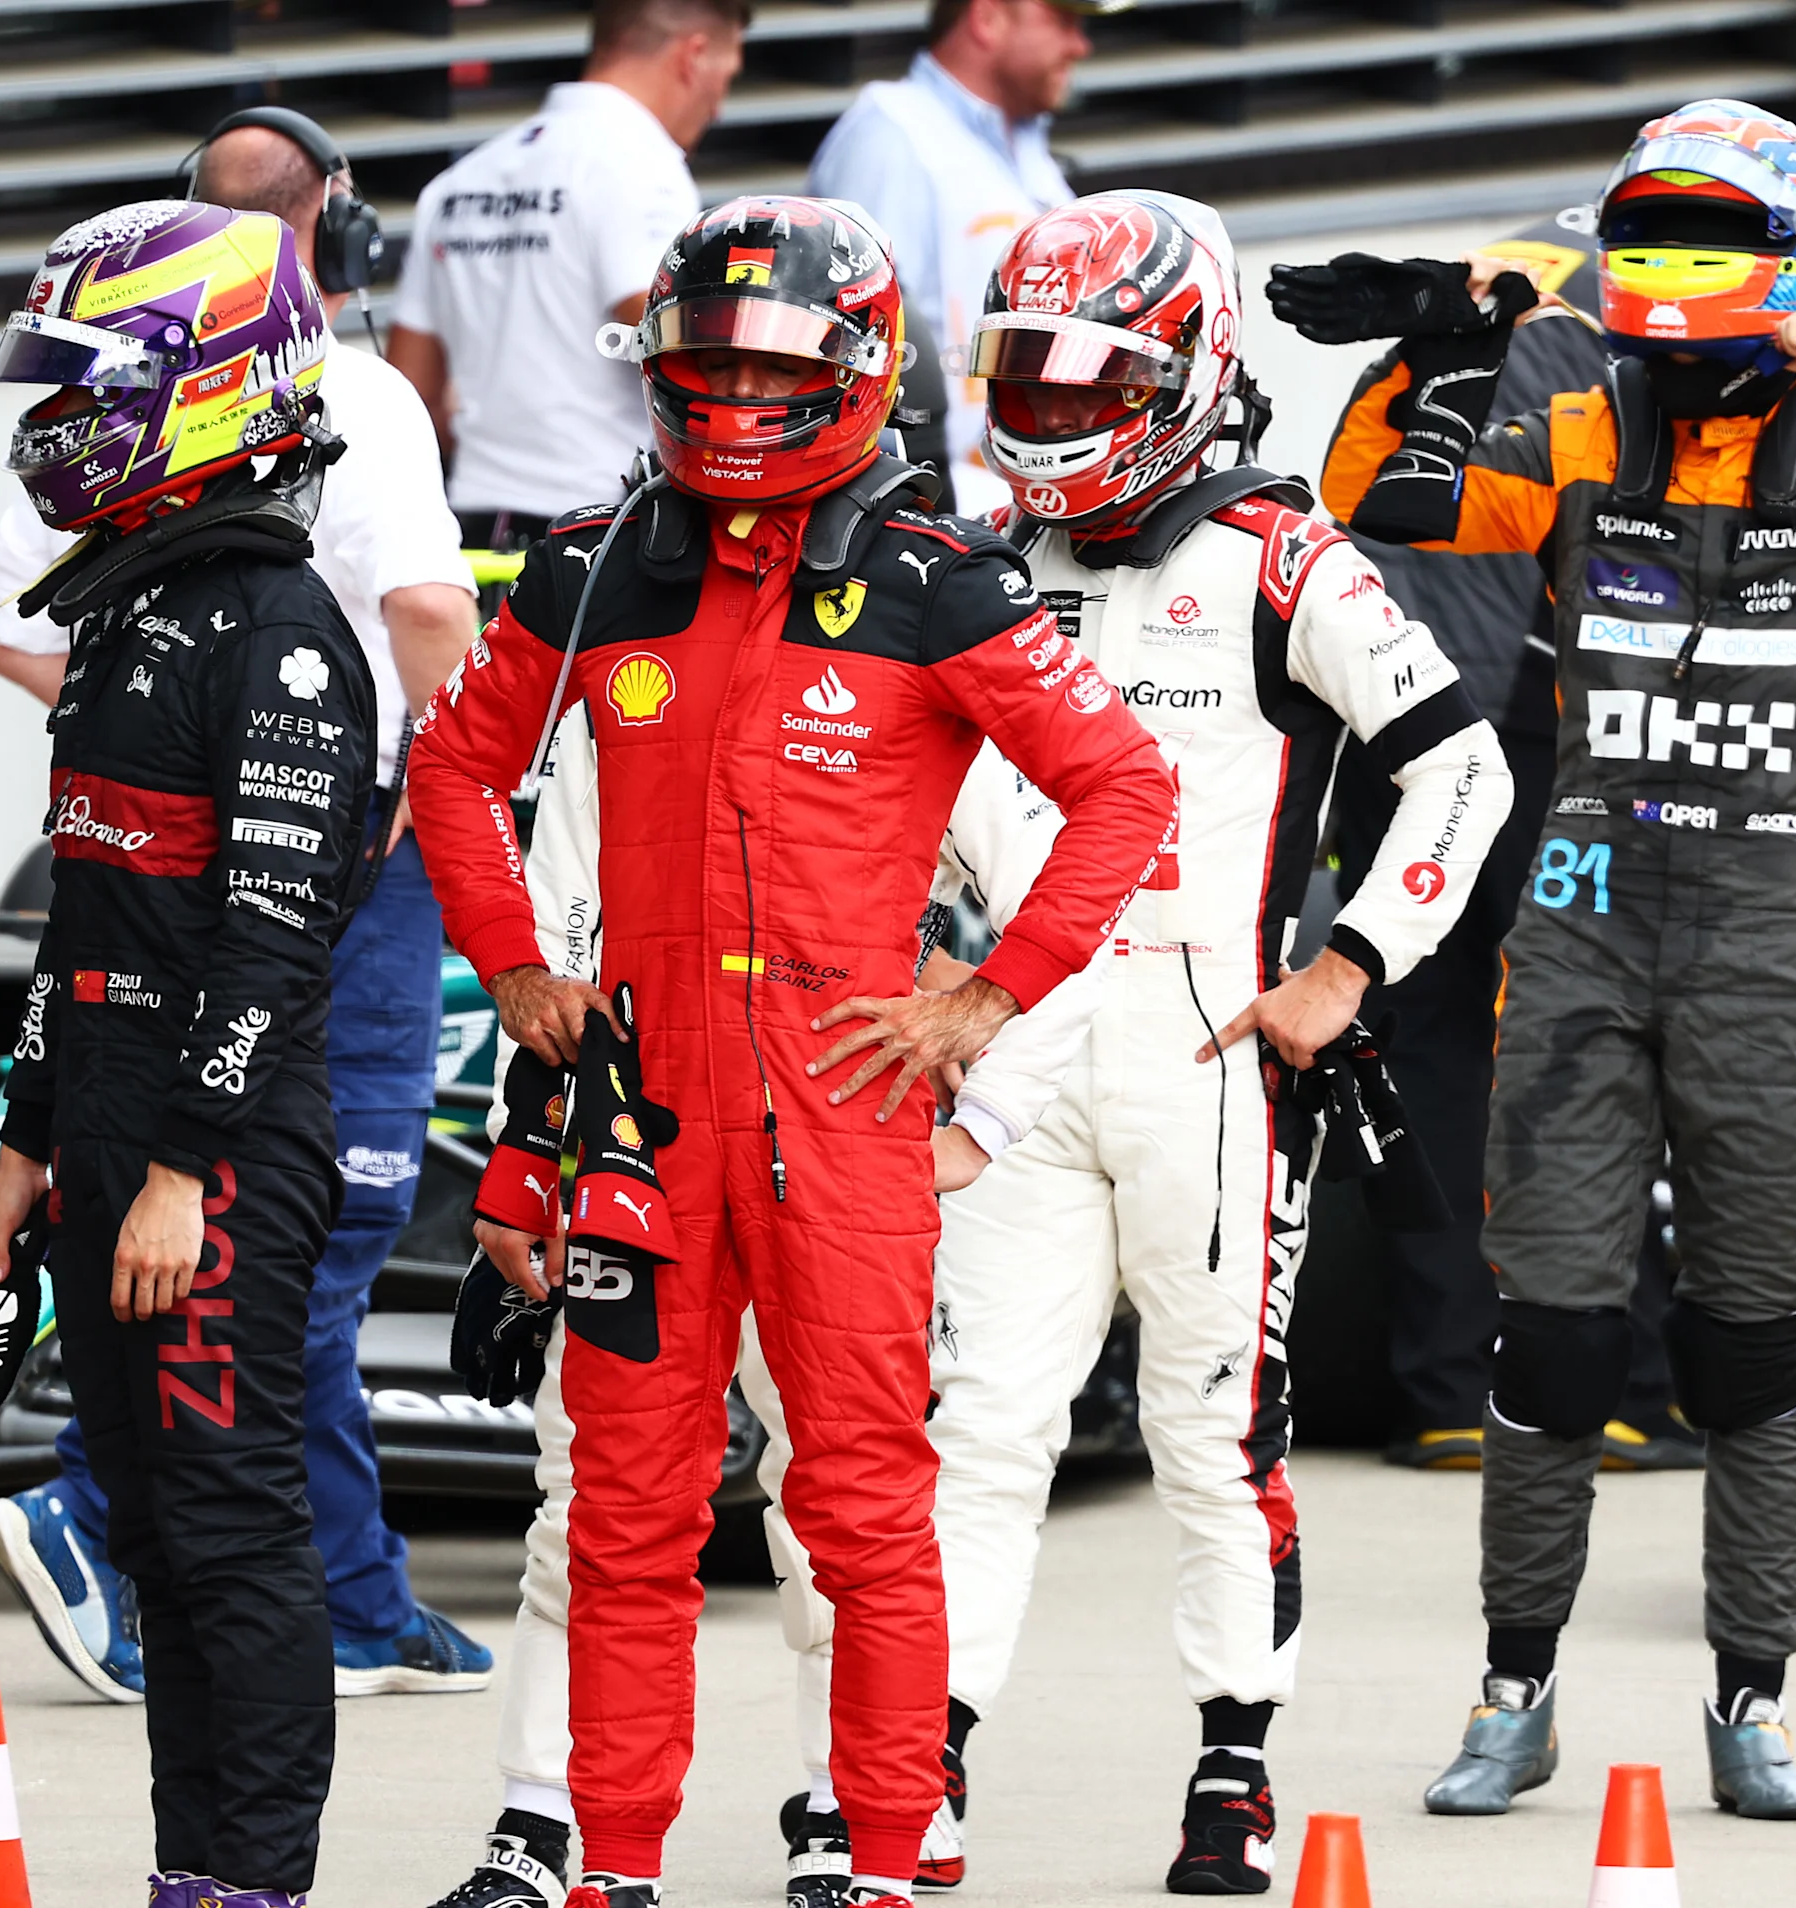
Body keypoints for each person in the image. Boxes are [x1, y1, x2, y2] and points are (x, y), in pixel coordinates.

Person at [1267, 99, 1796, 1821]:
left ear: (1789, 264)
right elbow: (1373, 504)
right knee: (1549, 1337)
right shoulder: (1578, 405)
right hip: (1575, 923)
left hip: (1774, 941)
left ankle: (1749, 1698)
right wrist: (1431, 351)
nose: (1668, 279)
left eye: (1707, 237)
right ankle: (1514, 1689)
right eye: (1656, 233)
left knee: (1745, 1345)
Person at [407, 195, 1177, 1908]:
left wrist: (984, 999)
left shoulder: (933, 571)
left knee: (864, 1504)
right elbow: (453, 769)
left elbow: (1125, 784)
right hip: (643, 1104)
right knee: (621, 1510)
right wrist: (517, 961)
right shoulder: (599, 559)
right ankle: (609, 1864)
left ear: (853, 367)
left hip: (845, 1101)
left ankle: (885, 1859)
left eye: (770, 365)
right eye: (704, 363)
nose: (734, 394)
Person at [911, 191, 1512, 1896]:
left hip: (1209, 1038)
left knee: (1210, 1428)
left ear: (1179, 369)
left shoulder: (1280, 555)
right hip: (1009, 1030)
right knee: (980, 1424)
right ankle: (917, 1772)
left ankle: (1230, 1771)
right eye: (1019, 377)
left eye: (1081, 380)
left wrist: (1348, 966)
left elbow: (1457, 768)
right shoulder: (967, 562)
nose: (1042, 415)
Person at [0, 113, 493, 1710]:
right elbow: (421, 609)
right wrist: (434, 785)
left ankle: (352, 1584)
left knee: (240, 1195)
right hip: (343, 857)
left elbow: (2, 630)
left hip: (150, 855)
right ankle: (101, 1504)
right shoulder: (357, 393)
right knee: (315, 1206)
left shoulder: (120, 386)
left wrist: (149, 716)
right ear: (331, 222)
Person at [427, 715, 1099, 1908]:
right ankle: (541, 1817)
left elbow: (1083, 880)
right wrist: (522, 1157)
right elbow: (550, 938)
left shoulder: (912, 648)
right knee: (587, 1494)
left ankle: (849, 1813)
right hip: (642, 1159)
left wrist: (987, 1117)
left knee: (840, 1503)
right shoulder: (624, 659)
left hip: (839, 1158)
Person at [0, 201, 380, 1908]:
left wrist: (185, 1175)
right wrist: (25, 1139)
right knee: (147, 1529)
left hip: (223, 1138)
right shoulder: (126, 610)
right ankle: (188, 1875)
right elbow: (82, 928)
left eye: (86, 382)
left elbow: (274, 941)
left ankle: (255, 1882)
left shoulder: (280, 630)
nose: (53, 415)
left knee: (226, 1526)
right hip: (114, 1127)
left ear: (203, 389)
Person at [1311, 224, 1713, 1475]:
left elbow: (1346, 506)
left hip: (1391, 738)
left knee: (1425, 1060)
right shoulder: (1610, 356)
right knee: (1587, 1052)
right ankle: (1622, 1387)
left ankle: (1443, 1390)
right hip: (1539, 752)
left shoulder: (1424, 343)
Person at [388, 0, 746, 548]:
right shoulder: (641, 166)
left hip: (470, 529)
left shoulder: (459, 182)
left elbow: (411, 393)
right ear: (694, 56)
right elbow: (686, 352)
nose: (721, 107)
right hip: (602, 529)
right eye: (729, 76)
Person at [804, 0, 1109, 516]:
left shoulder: (1021, 140)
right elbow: (859, 343)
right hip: (939, 501)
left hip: (1017, 487)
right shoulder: (890, 136)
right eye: (1063, 21)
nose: (1080, 45)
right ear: (987, 18)